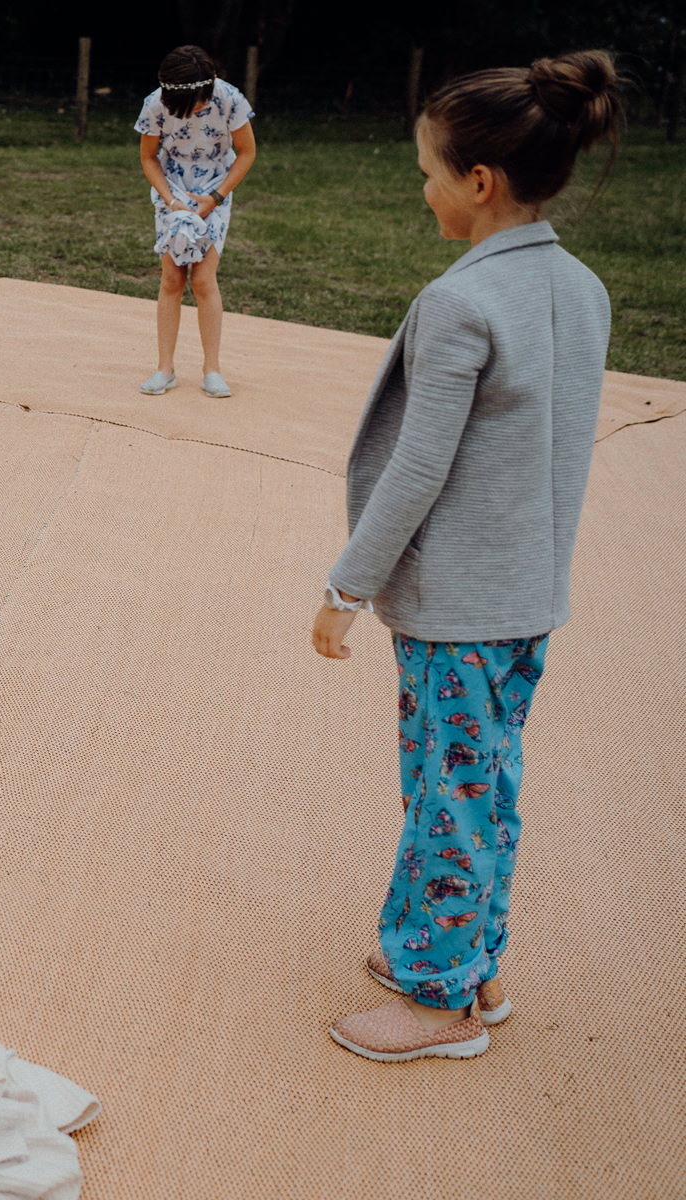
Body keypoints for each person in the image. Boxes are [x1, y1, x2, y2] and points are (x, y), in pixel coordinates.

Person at [312, 51, 621, 1061]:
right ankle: (471, 963)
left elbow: (415, 469)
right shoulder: (580, 289)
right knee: (484, 781)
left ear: (478, 183)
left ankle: (437, 1005)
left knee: (446, 793)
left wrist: (347, 586)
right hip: (527, 597)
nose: (424, 187)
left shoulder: (461, 302)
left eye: (429, 171)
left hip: (460, 608)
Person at [133, 45, 256, 399]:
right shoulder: (155, 103)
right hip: (172, 190)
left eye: (203, 102)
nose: (200, 109)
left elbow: (247, 152)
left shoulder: (229, 98)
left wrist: (215, 198)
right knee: (172, 277)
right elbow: (148, 157)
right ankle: (164, 369)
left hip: (216, 188)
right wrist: (172, 202)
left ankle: (211, 370)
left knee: (203, 280)